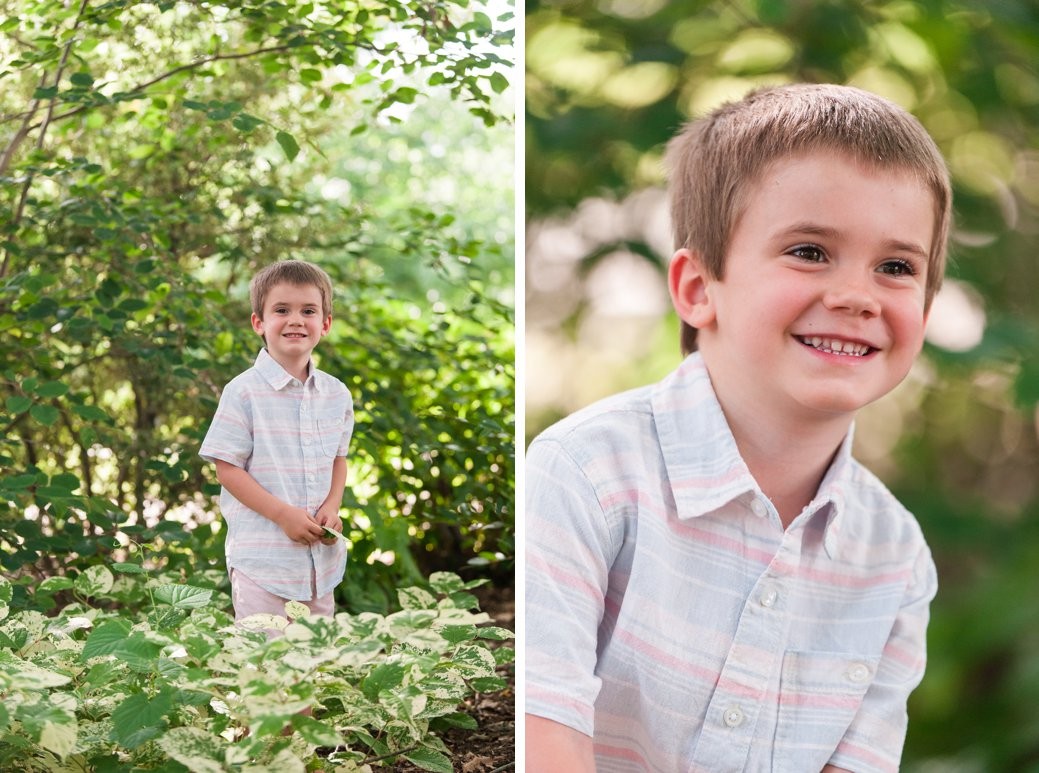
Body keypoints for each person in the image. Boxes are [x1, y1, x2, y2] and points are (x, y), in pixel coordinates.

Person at [524, 84, 951, 773]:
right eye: (810, 251)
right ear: (697, 289)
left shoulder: (894, 555)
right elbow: (544, 736)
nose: (855, 296)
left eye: (896, 267)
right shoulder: (585, 472)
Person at [200, 259, 352, 627]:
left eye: (308, 310)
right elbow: (227, 468)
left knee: (315, 661)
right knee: (263, 663)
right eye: (281, 310)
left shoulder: (336, 394)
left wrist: (332, 505)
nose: (296, 320)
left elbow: (339, 458)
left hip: (320, 565)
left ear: (325, 323)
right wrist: (282, 514)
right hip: (262, 562)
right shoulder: (243, 392)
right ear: (259, 322)